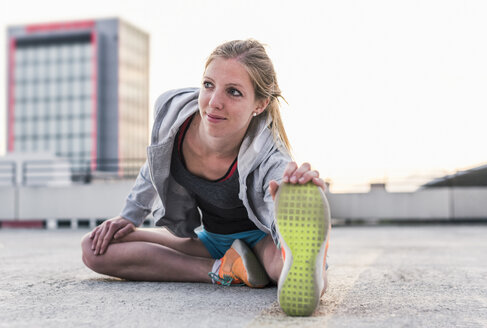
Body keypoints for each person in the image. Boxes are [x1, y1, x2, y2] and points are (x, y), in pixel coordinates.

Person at [81, 39, 331, 316]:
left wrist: (292, 188)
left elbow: (277, 195)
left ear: (259, 104)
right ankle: (225, 270)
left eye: (233, 92)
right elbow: (156, 163)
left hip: (262, 242)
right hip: (211, 242)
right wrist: (129, 216)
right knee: (95, 247)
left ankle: (311, 265)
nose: (214, 102)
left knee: (284, 270)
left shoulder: (270, 156)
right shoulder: (173, 114)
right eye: (208, 85)